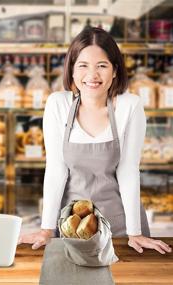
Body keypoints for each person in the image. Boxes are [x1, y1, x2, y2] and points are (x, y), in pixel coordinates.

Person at [18, 27, 172, 255]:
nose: (92, 75)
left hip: (120, 227)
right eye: (83, 65)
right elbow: (55, 171)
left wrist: (135, 232)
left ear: (115, 71)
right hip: (72, 227)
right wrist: (47, 229)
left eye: (102, 66)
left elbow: (129, 171)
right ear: (71, 71)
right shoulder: (57, 104)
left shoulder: (130, 106)